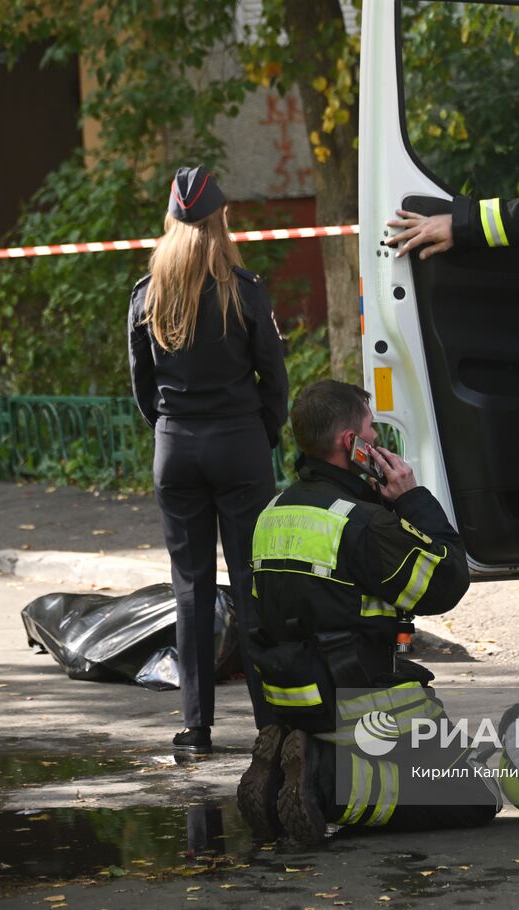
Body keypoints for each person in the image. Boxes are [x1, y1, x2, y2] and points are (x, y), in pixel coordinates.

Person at [235, 380, 499, 845]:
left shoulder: (271, 512)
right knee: (476, 795)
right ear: (349, 444)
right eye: (371, 432)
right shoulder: (360, 524)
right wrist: (411, 498)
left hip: (295, 696)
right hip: (361, 702)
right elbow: (447, 580)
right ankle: (325, 781)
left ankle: (290, 765)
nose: (377, 442)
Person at [128, 165, 290, 755]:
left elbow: (143, 388)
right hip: (239, 444)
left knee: (190, 589)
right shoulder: (244, 291)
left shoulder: (147, 297)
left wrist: (172, 429)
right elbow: (274, 376)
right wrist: (262, 433)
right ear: (222, 220)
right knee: (252, 583)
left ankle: (196, 728)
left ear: (170, 224)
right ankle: (270, 722)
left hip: (176, 446)